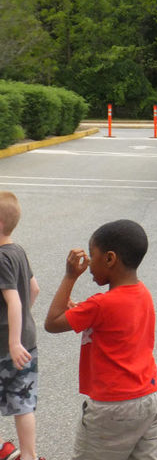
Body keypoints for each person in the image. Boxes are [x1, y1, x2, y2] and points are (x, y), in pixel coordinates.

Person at [44, 219, 157, 460]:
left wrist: (70, 276)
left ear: (110, 258)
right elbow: (117, 322)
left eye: (92, 255)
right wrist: (85, 310)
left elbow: (52, 323)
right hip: (151, 397)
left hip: (113, 406)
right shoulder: (143, 293)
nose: (89, 263)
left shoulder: (100, 304)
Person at [0, 192, 42, 460]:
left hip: (6, 345)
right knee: (23, 403)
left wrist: (13, 341)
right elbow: (34, 288)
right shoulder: (18, 251)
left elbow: (14, 301)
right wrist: (23, 325)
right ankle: (28, 455)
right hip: (27, 342)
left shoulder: (0, 258)